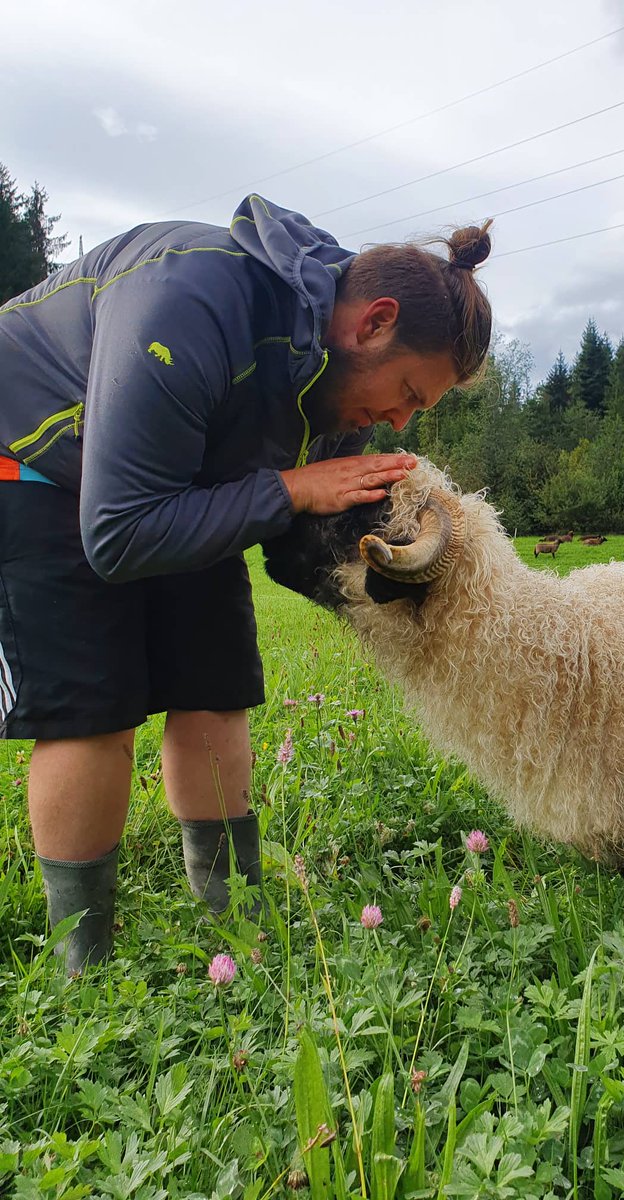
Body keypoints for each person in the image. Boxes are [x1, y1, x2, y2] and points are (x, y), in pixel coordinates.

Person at [0, 193, 493, 973]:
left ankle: (234, 918)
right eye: (407, 393)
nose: (400, 420)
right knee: (91, 705)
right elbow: (118, 534)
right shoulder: (192, 299)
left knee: (214, 680)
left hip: (186, 479)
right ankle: (80, 966)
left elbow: (295, 539)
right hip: (39, 461)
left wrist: (405, 570)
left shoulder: (338, 387)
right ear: (372, 322)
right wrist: (293, 489)